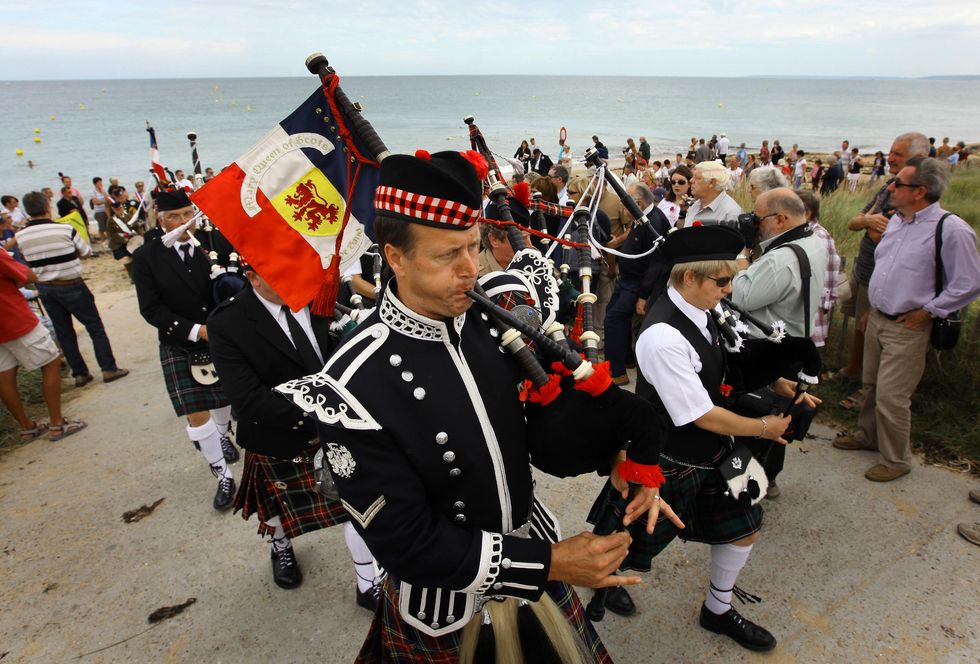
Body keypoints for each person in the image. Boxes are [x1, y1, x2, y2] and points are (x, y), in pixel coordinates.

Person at [278, 149, 674, 663]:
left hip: (533, 555)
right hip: (447, 607)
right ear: (395, 257)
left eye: (472, 247)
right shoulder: (354, 382)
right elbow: (406, 542)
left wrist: (620, 457)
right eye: (447, 255)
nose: (470, 270)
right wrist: (549, 564)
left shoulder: (491, 323)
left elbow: (544, 435)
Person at [590, 224, 807, 652]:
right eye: (722, 281)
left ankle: (718, 609)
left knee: (747, 527)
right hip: (666, 458)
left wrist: (776, 382)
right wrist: (767, 428)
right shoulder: (661, 337)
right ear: (690, 277)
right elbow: (703, 415)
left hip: (719, 451)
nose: (729, 290)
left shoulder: (702, 308)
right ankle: (600, 588)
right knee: (621, 545)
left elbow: (725, 363)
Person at [207, 266, 381, 599]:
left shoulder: (319, 297)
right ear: (254, 276)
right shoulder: (227, 323)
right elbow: (247, 401)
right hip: (278, 435)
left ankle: (367, 585)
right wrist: (324, 406)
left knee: (356, 509)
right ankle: (281, 545)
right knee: (274, 510)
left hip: (337, 429)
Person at [834, 157, 980, 481]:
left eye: (898, 183)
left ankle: (897, 460)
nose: (890, 187)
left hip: (908, 326)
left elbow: (969, 282)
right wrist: (873, 307)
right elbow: (888, 270)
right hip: (879, 318)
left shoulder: (951, 229)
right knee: (871, 384)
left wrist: (929, 311)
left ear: (920, 191)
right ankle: (868, 436)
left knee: (892, 396)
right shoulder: (897, 220)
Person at [130, 189, 239, 510]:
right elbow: (151, 309)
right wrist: (197, 331)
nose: (182, 222)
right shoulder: (146, 257)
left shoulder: (213, 242)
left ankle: (223, 434)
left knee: (222, 398)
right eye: (173, 217)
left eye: (187, 214)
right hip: (180, 342)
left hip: (221, 336)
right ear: (160, 220)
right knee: (197, 411)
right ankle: (223, 475)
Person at [730, 188, 827, 495]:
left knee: (757, 417)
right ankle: (769, 477)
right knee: (779, 412)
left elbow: (741, 295)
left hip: (767, 348)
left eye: (757, 218)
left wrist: (744, 254)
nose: (753, 223)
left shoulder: (781, 259)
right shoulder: (813, 241)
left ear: (780, 219)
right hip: (794, 339)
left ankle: (746, 486)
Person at [837, 132, 929, 406]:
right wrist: (869, 220)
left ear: (919, 159)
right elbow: (854, 222)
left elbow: (881, 236)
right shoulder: (889, 186)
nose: (890, 158)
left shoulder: (916, 196)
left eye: (897, 154)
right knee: (860, 327)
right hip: (866, 270)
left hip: (887, 281)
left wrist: (870, 224)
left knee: (874, 335)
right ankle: (853, 373)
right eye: (890, 152)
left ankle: (867, 391)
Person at [14, 192, 129, 388]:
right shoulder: (65, 229)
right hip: (71, 284)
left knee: (64, 331)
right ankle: (108, 368)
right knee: (94, 326)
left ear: (27, 210)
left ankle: (80, 374)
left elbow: (25, 259)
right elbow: (85, 252)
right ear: (47, 207)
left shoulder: (20, 235)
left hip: (45, 287)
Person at [1, 248, 87, 442]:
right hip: (14, 319)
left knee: (4, 376)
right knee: (51, 362)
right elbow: (29, 275)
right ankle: (57, 423)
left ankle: (27, 428)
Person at [603, 183, 672, 385]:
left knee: (613, 321)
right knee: (612, 314)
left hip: (637, 282)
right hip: (627, 279)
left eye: (626, 206)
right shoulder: (642, 218)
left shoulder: (654, 222)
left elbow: (657, 262)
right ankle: (627, 359)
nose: (623, 210)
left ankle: (616, 372)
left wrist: (643, 295)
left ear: (639, 204)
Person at [794, 189, 841, 349]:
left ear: (806, 213)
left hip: (809, 315)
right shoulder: (807, 234)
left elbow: (825, 281)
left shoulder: (817, 237)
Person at [685, 161, 743, 225]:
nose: (691, 180)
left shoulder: (730, 213)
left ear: (712, 182)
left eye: (698, 178)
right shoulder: (696, 204)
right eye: (693, 177)